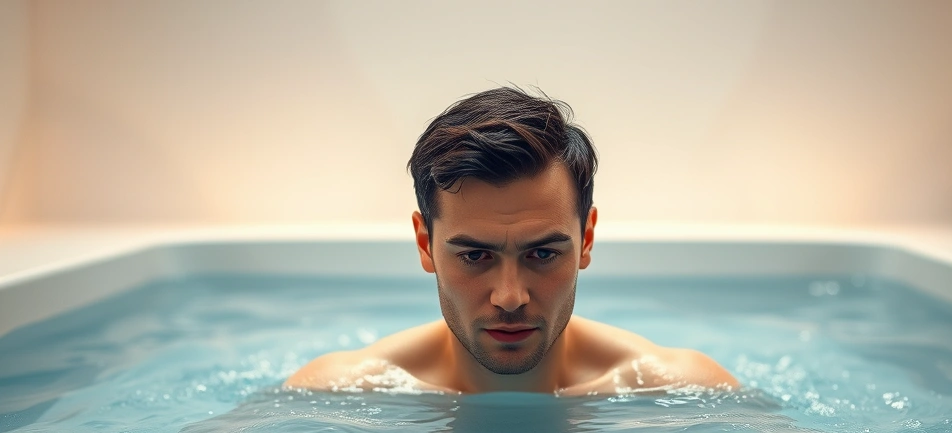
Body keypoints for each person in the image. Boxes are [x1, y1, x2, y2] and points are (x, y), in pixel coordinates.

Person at [285, 87, 738, 395]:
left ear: (587, 239)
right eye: (475, 255)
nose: (509, 297)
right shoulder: (336, 392)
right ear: (425, 244)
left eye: (542, 253)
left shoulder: (681, 388)